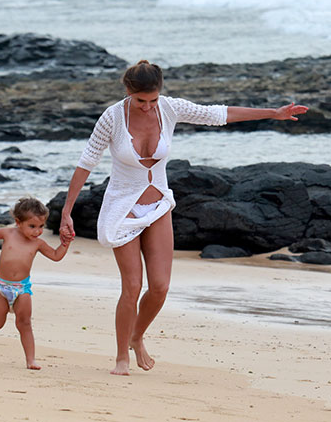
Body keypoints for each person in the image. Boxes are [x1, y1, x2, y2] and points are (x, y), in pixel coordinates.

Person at [59, 60, 308, 375]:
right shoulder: (112, 118)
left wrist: (273, 113)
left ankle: (137, 337)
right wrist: (67, 211)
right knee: (132, 287)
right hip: (123, 209)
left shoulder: (169, 109)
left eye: (153, 100)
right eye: (141, 101)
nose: (149, 107)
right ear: (128, 92)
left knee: (160, 287)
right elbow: (86, 162)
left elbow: (219, 114)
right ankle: (122, 357)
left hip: (159, 204)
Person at [0, 196, 71, 370]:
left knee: (24, 323)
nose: (37, 231)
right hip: (1, 287)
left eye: (41, 226)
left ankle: (31, 360)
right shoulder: (7, 233)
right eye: (32, 226)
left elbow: (56, 256)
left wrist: (66, 243)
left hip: (22, 289)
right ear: (18, 222)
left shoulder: (38, 243)